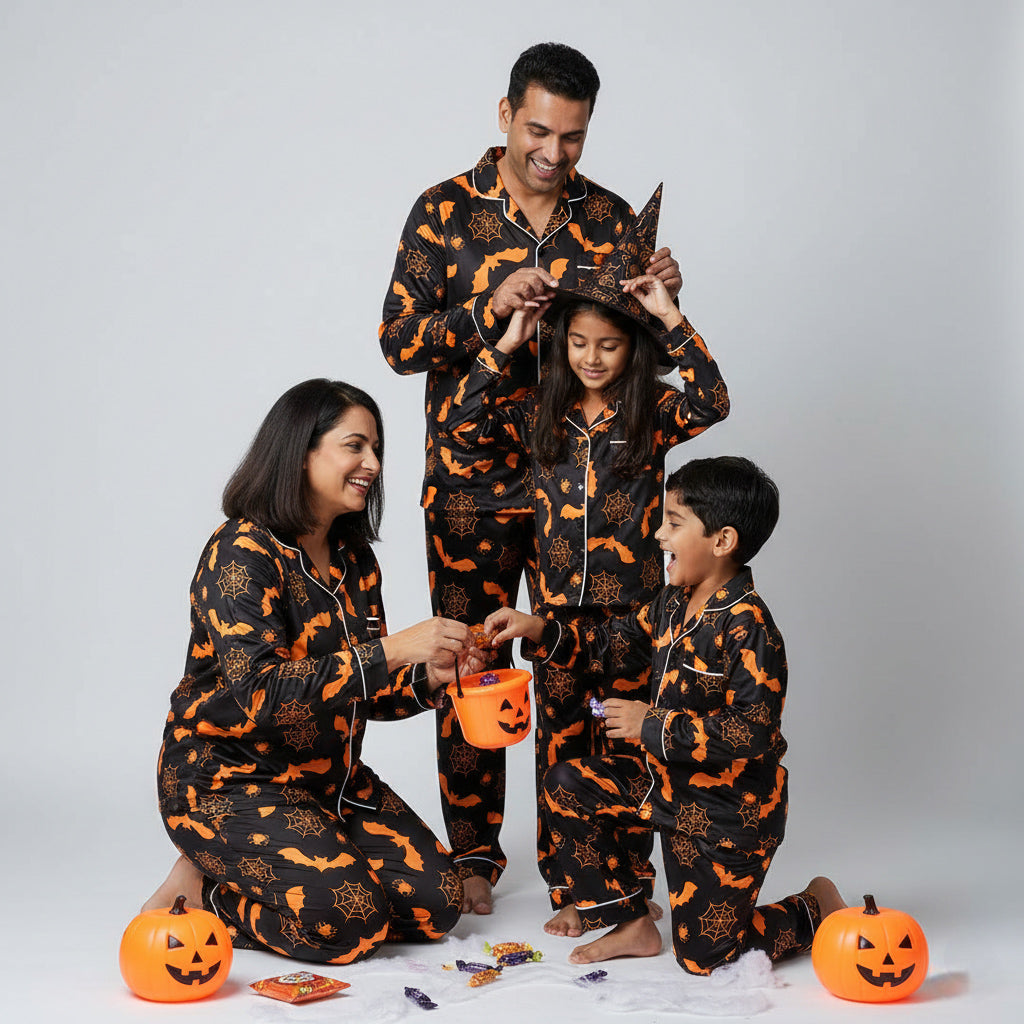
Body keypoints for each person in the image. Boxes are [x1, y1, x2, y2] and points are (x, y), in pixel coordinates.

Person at [380, 41, 682, 915]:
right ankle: (473, 854)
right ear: (505, 113)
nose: (555, 152)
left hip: (586, 495)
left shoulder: (615, 217)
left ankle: (576, 865)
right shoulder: (441, 211)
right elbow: (400, 343)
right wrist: (488, 308)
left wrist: (663, 297)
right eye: (541, 130)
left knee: (572, 672)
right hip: (471, 482)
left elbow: (640, 354)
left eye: (575, 137)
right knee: (470, 662)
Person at [437, 186, 729, 930]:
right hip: (559, 618)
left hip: (636, 617)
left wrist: (667, 312)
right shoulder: (540, 416)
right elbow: (458, 427)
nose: (593, 357)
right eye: (578, 344)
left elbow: (713, 397)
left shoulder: (651, 417)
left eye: (609, 344)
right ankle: (577, 893)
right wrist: (507, 340)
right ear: (560, 344)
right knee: (561, 753)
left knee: (625, 742)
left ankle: (630, 893)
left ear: (631, 351)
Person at [143, 379, 482, 964]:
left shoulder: (355, 558)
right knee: (351, 927)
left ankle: (290, 860)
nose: (372, 464)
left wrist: (431, 675)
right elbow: (260, 694)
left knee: (438, 906)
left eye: (377, 449)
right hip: (228, 780)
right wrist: (395, 649)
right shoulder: (241, 552)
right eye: (355, 446)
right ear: (302, 450)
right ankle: (208, 892)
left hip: (328, 783)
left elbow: (363, 691)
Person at [485, 457, 845, 972]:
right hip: (664, 787)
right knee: (566, 781)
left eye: (674, 523)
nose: (658, 534)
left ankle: (814, 908)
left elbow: (752, 730)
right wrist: (537, 627)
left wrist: (649, 724)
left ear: (722, 541)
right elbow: (611, 646)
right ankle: (630, 922)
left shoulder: (750, 628)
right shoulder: (671, 602)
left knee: (704, 958)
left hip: (728, 812)